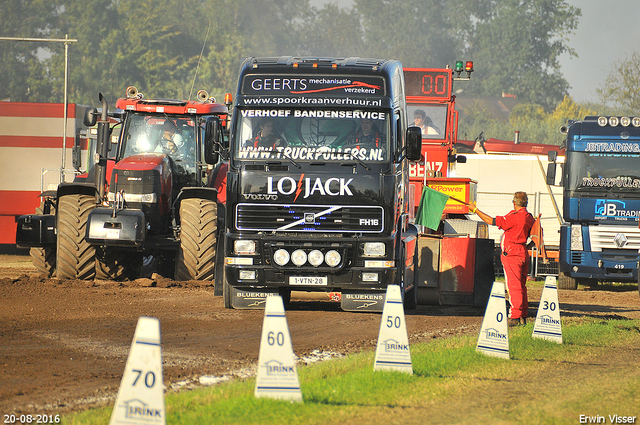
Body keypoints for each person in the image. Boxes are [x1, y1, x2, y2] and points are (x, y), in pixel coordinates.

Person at [470, 191, 535, 326]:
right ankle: (522, 313)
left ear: (514, 203)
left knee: (513, 286)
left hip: (512, 254)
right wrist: (526, 246)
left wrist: (475, 210)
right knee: (521, 285)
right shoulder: (529, 218)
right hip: (523, 251)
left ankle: (515, 316)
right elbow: (537, 237)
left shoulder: (513, 217)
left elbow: (490, 221)